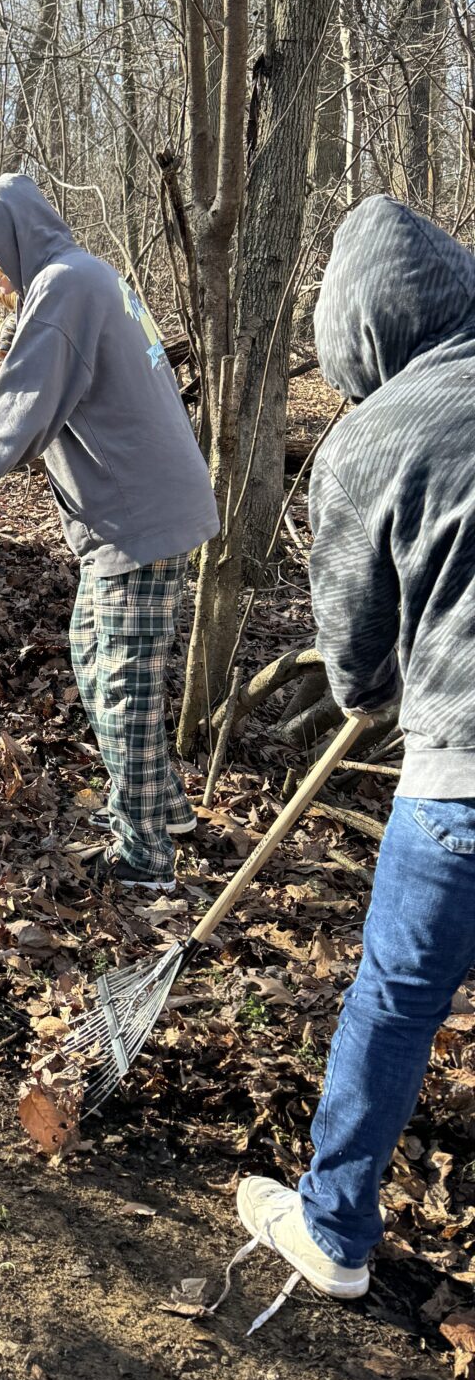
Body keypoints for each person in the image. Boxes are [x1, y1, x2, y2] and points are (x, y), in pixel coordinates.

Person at [234, 197, 475, 1301]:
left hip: (460, 783)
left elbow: (352, 664)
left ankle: (334, 1225)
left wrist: (376, 687)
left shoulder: (370, 439)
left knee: (396, 997)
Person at [0, 173, 218, 892]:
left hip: (139, 519)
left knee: (122, 685)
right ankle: (160, 806)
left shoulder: (65, 287)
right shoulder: (83, 277)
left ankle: (146, 854)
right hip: (138, 513)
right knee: (95, 655)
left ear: (15, 237)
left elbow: (21, 408)